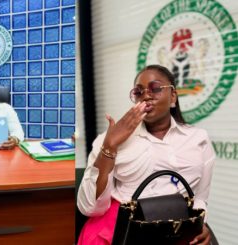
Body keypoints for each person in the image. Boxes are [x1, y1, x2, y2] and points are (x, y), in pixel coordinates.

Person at [77, 65, 215, 245]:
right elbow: (90, 207)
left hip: (175, 231)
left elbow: (200, 199)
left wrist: (199, 225)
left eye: (155, 88)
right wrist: (110, 146)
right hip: (123, 230)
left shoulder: (199, 138)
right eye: (138, 92)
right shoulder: (108, 139)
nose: (146, 96)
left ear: (173, 96)